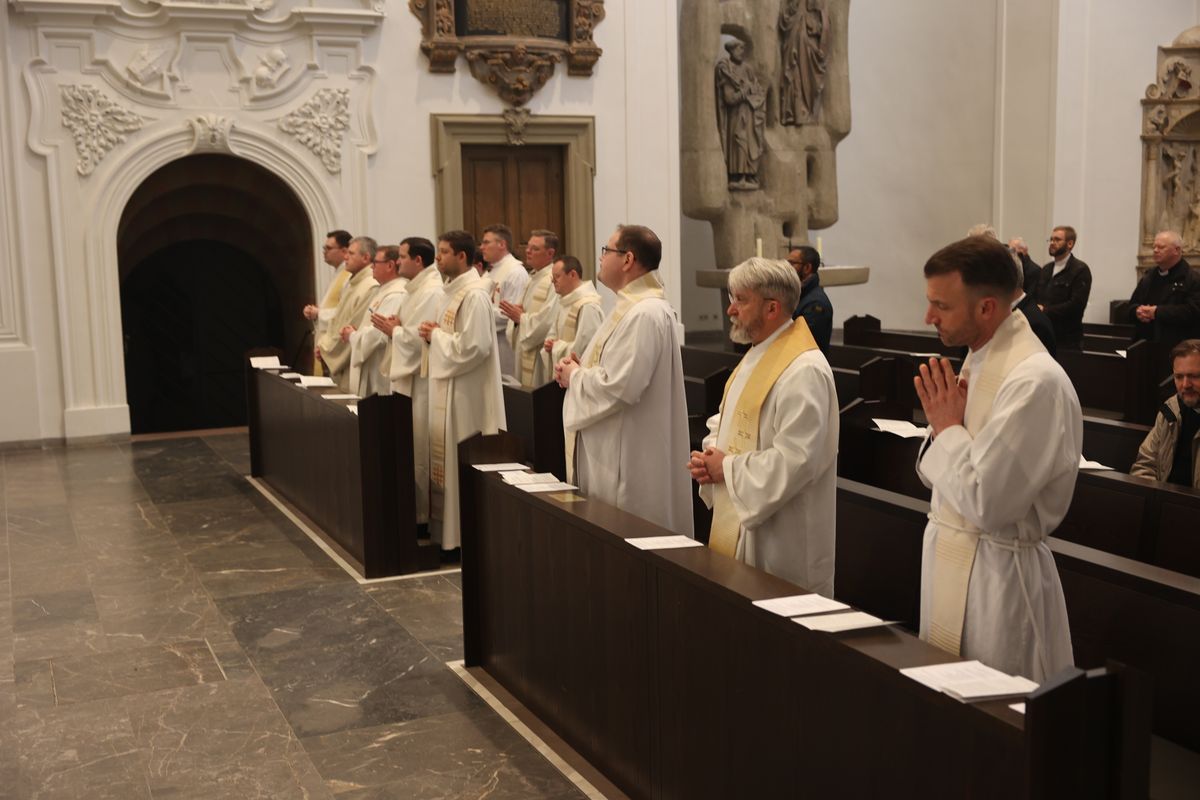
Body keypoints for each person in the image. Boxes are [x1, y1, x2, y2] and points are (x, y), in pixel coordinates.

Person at [914, 235, 1079, 682]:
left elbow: (990, 504)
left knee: (1001, 716)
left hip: (998, 579)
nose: (928, 317)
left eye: (941, 306)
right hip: (954, 556)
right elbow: (940, 478)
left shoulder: (1034, 382)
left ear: (986, 308)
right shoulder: (979, 360)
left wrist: (947, 428)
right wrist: (948, 428)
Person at [688, 257, 838, 593]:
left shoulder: (804, 370)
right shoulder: (757, 354)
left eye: (741, 300)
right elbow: (727, 417)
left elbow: (796, 460)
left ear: (772, 309)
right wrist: (710, 456)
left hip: (782, 538)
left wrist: (725, 467)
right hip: (744, 519)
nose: (730, 310)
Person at [556, 225, 693, 536]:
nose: (601, 258)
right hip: (617, 445)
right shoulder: (632, 308)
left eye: (607, 251)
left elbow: (621, 387)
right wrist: (581, 368)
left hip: (629, 457)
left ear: (628, 259)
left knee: (628, 535)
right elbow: (615, 370)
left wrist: (575, 376)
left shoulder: (645, 313)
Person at [420, 230, 506, 552]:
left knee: (461, 459)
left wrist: (435, 338)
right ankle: (449, 536)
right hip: (450, 388)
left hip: (467, 397)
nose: (438, 258)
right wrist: (435, 335)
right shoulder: (450, 292)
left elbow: (477, 347)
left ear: (462, 256)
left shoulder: (474, 296)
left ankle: (462, 539)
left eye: (443, 252)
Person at [373, 237, 442, 524]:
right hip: (407, 383)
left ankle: (423, 517)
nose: (397, 261)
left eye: (402, 257)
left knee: (420, 453)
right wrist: (396, 329)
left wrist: (395, 331)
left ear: (418, 260)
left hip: (421, 384)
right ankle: (414, 514)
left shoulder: (432, 291)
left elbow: (422, 339)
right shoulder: (414, 290)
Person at [1131, 339, 1200, 488]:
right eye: (1179, 377)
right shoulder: (1171, 410)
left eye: (1194, 376)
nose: (1185, 385)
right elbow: (1145, 465)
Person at [316, 236, 379, 392]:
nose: (345, 257)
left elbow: (352, 327)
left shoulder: (370, 286)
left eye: (351, 254)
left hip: (351, 365)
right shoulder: (351, 283)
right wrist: (323, 344)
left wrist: (326, 350)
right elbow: (337, 320)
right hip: (340, 362)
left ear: (366, 257)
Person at [347, 244, 408, 397]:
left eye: (375, 263)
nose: (371, 267)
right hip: (372, 365)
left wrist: (353, 336)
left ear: (390, 265)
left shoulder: (396, 294)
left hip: (379, 370)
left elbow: (379, 334)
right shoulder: (384, 290)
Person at [1121, 230, 1200, 346]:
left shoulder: (1192, 278)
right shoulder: (1149, 277)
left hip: (1178, 346)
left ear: (1177, 250)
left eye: (1161, 247)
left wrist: (1157, 312)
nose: (1155, 250)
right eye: (1154, 247)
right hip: (1145, 344)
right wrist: (1137, 311)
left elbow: (1193, 312)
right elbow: (1132, 305)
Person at [501, 230, 560, 387]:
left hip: (540, 354)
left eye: (535, 248)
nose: (527, 251)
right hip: (525, 349)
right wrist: (516, 317)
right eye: (528, 246)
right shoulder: (532, 278)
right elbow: (520, 314)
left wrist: (520, 317)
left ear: (550, 253)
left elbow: (548, 321)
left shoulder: (553, 280)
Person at [480, 224, 528, 379]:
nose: (481, 247)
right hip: (490, 343)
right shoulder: (490, 272)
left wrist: (478, 313)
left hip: (505, 346)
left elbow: (510, 316)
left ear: (502, 244)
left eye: (486, 242)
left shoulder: (515, 272)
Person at [1032, 226, 1091, 350]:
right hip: (1044, 335)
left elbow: (1076, 305)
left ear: (1070, 244)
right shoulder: (1046, 269)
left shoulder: (1080, 270)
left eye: (1057, 240)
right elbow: (1037, 296)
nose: (1052, 243)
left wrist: (1046, 310)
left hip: (1067, 340)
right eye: (1051, 239)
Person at [304, 229, 351, 375]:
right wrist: (317, 312)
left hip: (337, 345)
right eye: (324, 248)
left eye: (329, 248)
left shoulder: (349, 276)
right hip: (326, 342)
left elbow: (346, 313)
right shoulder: (338, 274)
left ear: (344, 251)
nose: (324, 251)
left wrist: (319, 313)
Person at [544, 255, 603, 367]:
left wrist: (555, 347)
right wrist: (549, 343)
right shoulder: (565, 302)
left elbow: (588, 348)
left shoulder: (587, 306)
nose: (553, 281)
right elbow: (554, 333)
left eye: (557, 276)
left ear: (572, 275)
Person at [786, 245, 832, 353]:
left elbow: (803, 341)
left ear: (807, 268)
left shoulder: (816, 304)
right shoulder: (797, 294)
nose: (787, 268)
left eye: (791, 263)